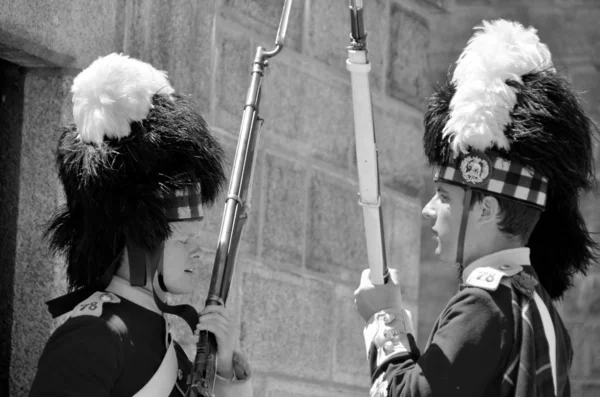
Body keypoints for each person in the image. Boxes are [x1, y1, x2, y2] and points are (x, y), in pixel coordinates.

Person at [354, 20, 598, 397]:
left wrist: (384, 318)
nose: (429, 211)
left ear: (485, 209)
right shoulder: (534, 303)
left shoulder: (484, 305)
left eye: (446, 197)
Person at [29, 53, 252, 397]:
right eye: (182, 240)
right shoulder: (92, 337)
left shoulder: (163, 344)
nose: (197, 251)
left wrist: (223, 368)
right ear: (141, 237)